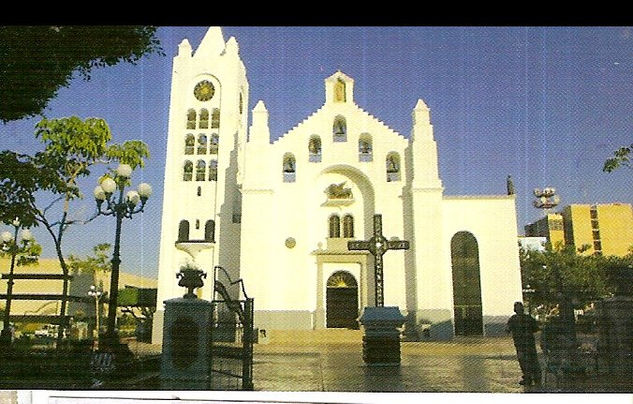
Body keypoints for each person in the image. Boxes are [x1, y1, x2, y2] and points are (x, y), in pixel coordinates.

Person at [506, 301, 542, 386]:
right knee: (533, 360)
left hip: (520, 344)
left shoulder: (513, 319)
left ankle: (527, 377)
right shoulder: (528, 318)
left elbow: (507, 330)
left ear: (515, 310)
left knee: (523, 361)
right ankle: (536, 377)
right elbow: (536, 329)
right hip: (529, 343)